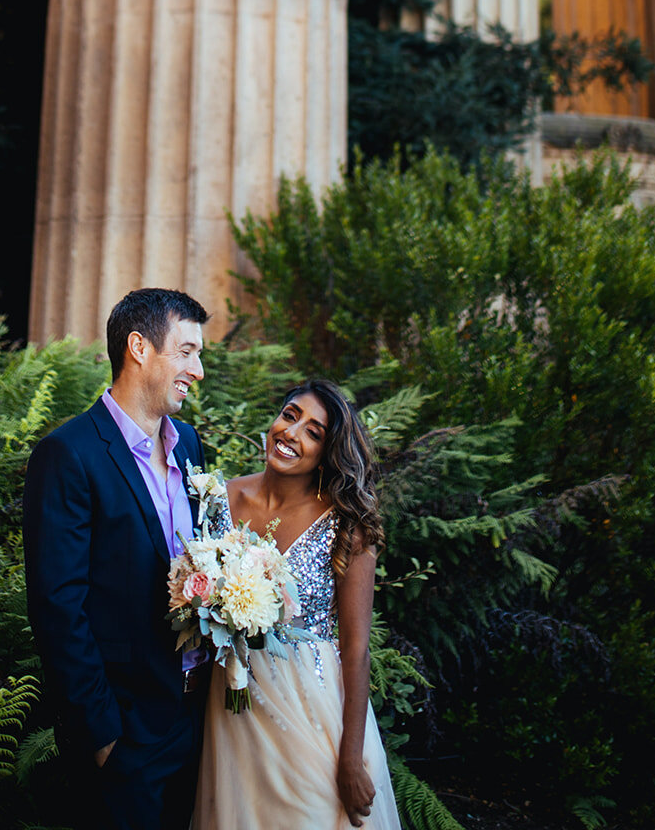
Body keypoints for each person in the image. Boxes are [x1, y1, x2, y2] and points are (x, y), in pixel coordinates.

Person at [21, 287, 209, 830]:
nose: (198, 371)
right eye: (187, 352)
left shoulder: (190, 445)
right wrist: (102, 735)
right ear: (138, 347)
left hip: (194, 719)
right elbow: (58, 608)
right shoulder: (69, 454)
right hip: (123, 735)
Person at [193, 378, 402, 830]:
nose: (292, 433)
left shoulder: (346, 525)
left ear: (327, 454)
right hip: (233, 711)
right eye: (290, 415)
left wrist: (350, 757)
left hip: (311, 713)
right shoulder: (220, 501)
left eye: (314, 432)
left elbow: (358, 649)